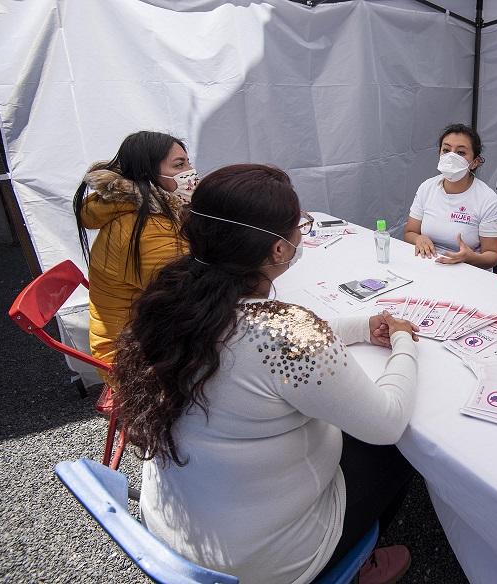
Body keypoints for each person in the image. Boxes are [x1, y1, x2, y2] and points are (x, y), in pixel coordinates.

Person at [112, 164, 420, 584]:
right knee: (400, 447)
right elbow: (387, 422)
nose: (301, 236)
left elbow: (254, 344)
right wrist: (405, 343)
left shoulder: (171, 298)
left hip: (173, 531)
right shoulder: (285, 334)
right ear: (278, 250)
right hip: (262, 564)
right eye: (299, 227)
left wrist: (362, 326)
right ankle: (359, 563)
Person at [73, 131, 198, 370]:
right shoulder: (142, 228)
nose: (189, 171)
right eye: (179, 165)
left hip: (147, 333)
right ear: (148, 173)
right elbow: (187, 296)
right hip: (133, 358)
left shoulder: (150, 211)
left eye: (188, 162)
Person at [404, 123, 497, 268]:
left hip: (467, 271)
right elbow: (409, 232)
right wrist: (418, 238)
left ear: (475, 162)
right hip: (427, 264)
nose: (451, 156)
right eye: (446, 150)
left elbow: (492, 255)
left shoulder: (487, 199)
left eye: (461, 152)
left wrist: (470, 257)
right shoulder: (427, 187)